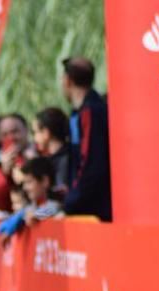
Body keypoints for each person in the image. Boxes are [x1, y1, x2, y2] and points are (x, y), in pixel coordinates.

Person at [61, 57, 112, 221]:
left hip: (94, 209)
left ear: (67, 81)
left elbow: (91, 161)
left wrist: (71, 201)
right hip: (79, 202)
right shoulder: (78, 113)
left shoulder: (91, 112)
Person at [0, 157, 63, 240]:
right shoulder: (30, 207)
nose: (25, 188)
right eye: (24, 183)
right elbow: (22, 214)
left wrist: (37, 215)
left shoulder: (58, 201)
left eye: (29, 182)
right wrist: (8, 230)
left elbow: (54, 208)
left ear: (45, 181)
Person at [32, 107, 70, 198]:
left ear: (46, 133)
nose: (34, 138)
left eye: (35, 132)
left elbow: (60, 191)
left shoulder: (65, 160)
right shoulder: (48, 158)